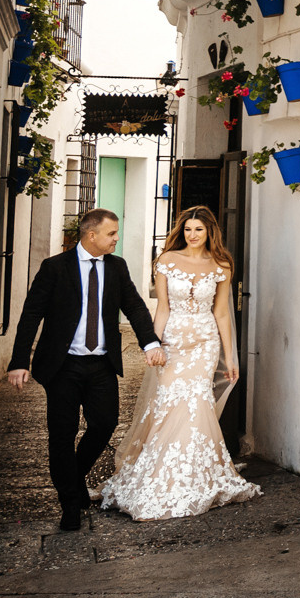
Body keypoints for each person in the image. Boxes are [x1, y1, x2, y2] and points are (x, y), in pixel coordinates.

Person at [5, 208, 162, 531]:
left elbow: (133, 305)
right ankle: (70, 505)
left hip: (101, 363)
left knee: (105, 424)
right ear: (92, 235)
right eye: (111, 234)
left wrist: (150, 343)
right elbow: (31, 314)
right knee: (62, 435)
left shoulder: (116, 267)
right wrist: (19, 361)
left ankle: (73, 479)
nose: (116, 239)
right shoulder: (55, 268)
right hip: (63, 366)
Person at [101, 205, 261, 520]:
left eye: (198, 229)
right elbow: (161, 308)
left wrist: (231, 357)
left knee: (197, 404)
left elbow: (222, 314)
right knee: (167, 404)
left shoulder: (221, 265)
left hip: (204, 344)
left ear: (209, 231)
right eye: (187, 229)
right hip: (173, 343)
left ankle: (195, 477)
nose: (192, 234)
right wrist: (153, 344)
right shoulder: (166, 261)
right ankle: (157, 475)